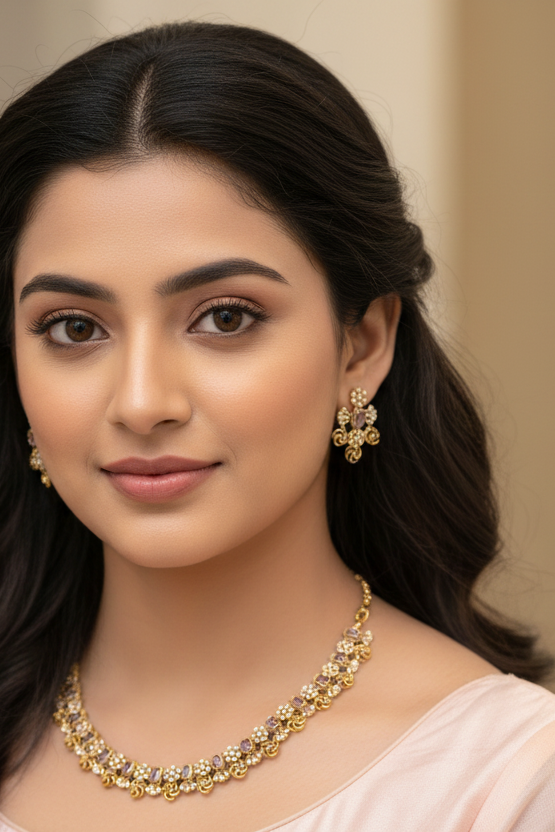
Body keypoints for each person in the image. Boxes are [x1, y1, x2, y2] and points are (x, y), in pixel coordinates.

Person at [0, 20, 553, 832]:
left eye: (225, 317)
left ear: (360, 346)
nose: (142, 400)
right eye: (75, 328)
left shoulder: (508, 783)